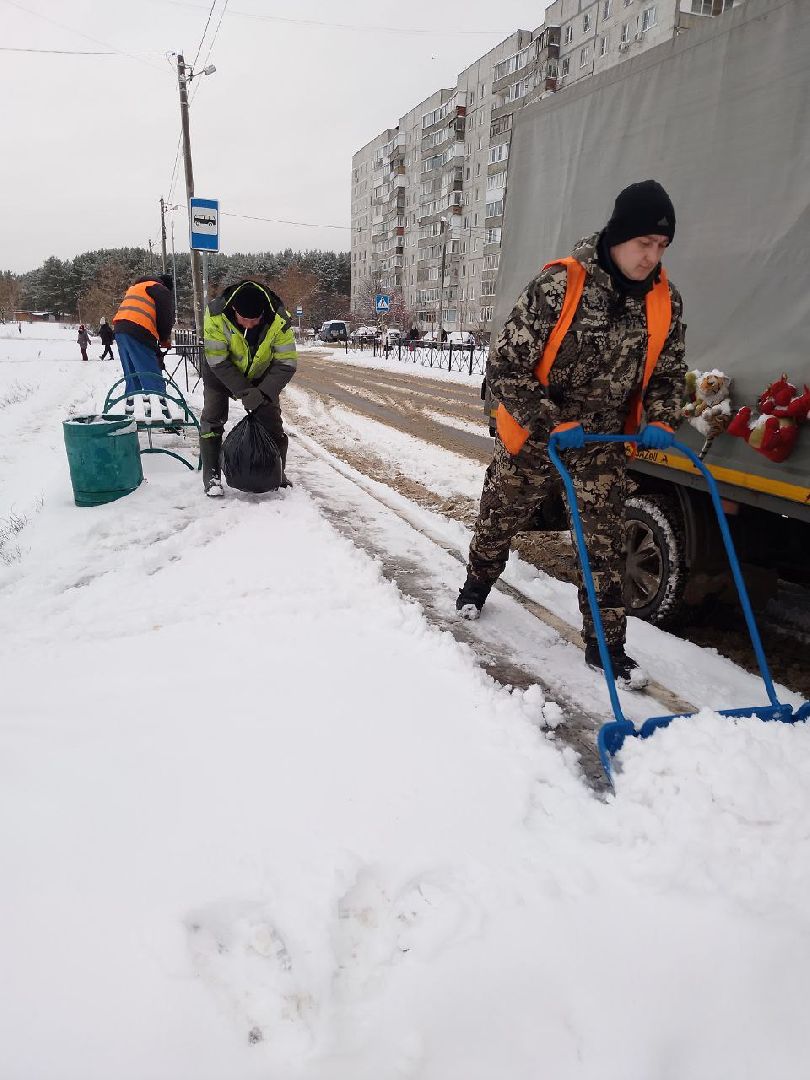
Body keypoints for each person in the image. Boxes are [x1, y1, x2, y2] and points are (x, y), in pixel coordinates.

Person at [457, 180, 687, 688]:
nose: (653, 256)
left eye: (662, 246)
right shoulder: (561, 286)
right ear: (619, 236)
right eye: (644, 243)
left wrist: (663, 417)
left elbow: (669, 373)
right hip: (539, 436)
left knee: (601, 543)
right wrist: (550, 422)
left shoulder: (665, 301)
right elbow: (505, 366)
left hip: (602, 444)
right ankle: (476, 585)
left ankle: (606, 646)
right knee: (500, 519)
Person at [200, 279, 297, 497]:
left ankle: (277, 472)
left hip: (261, 375)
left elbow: (287, 362)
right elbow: (218, 360)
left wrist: (262, 393)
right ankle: (212, 476)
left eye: (256, 320)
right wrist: (245, 392)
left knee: (272, 421)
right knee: (212, 418)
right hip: (219, 373)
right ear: (234, 310)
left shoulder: (279, 320)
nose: (250, 325)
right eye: (245, 320)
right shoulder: (216, 315)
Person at [112, 273, 174, 395]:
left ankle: (132, 407)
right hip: (138, 330)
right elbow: (166, 318)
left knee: (132, 376)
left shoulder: (136, 287)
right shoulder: (161, 289)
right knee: (151, 375)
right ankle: (160, 408)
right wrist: (164, 339)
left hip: (120, 329)